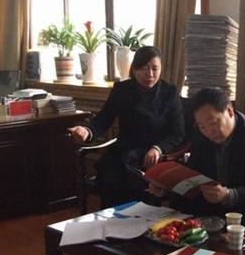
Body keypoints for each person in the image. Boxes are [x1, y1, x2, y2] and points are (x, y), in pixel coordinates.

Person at [151, 87, 245, 232]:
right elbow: (194, 174)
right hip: (219, 199)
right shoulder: (201, 135)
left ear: (229, 111)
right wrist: (168, 189)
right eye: (202, 126)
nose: (209, 132)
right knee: (183, 205)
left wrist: (229, 195)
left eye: (212, 123)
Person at [68, 46, 184, 208]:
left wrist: (158, 148)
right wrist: (87, 131)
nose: (150, 74)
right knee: (113, 174)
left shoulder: (169, 93)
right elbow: (103, 119)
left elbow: (177, 132)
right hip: (123, 150)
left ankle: (138, 219)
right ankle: (112, 218)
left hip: (152, 156)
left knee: (130, 178)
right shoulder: (122, 90)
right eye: (144, 68)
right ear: (134, 69)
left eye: (155, 68)